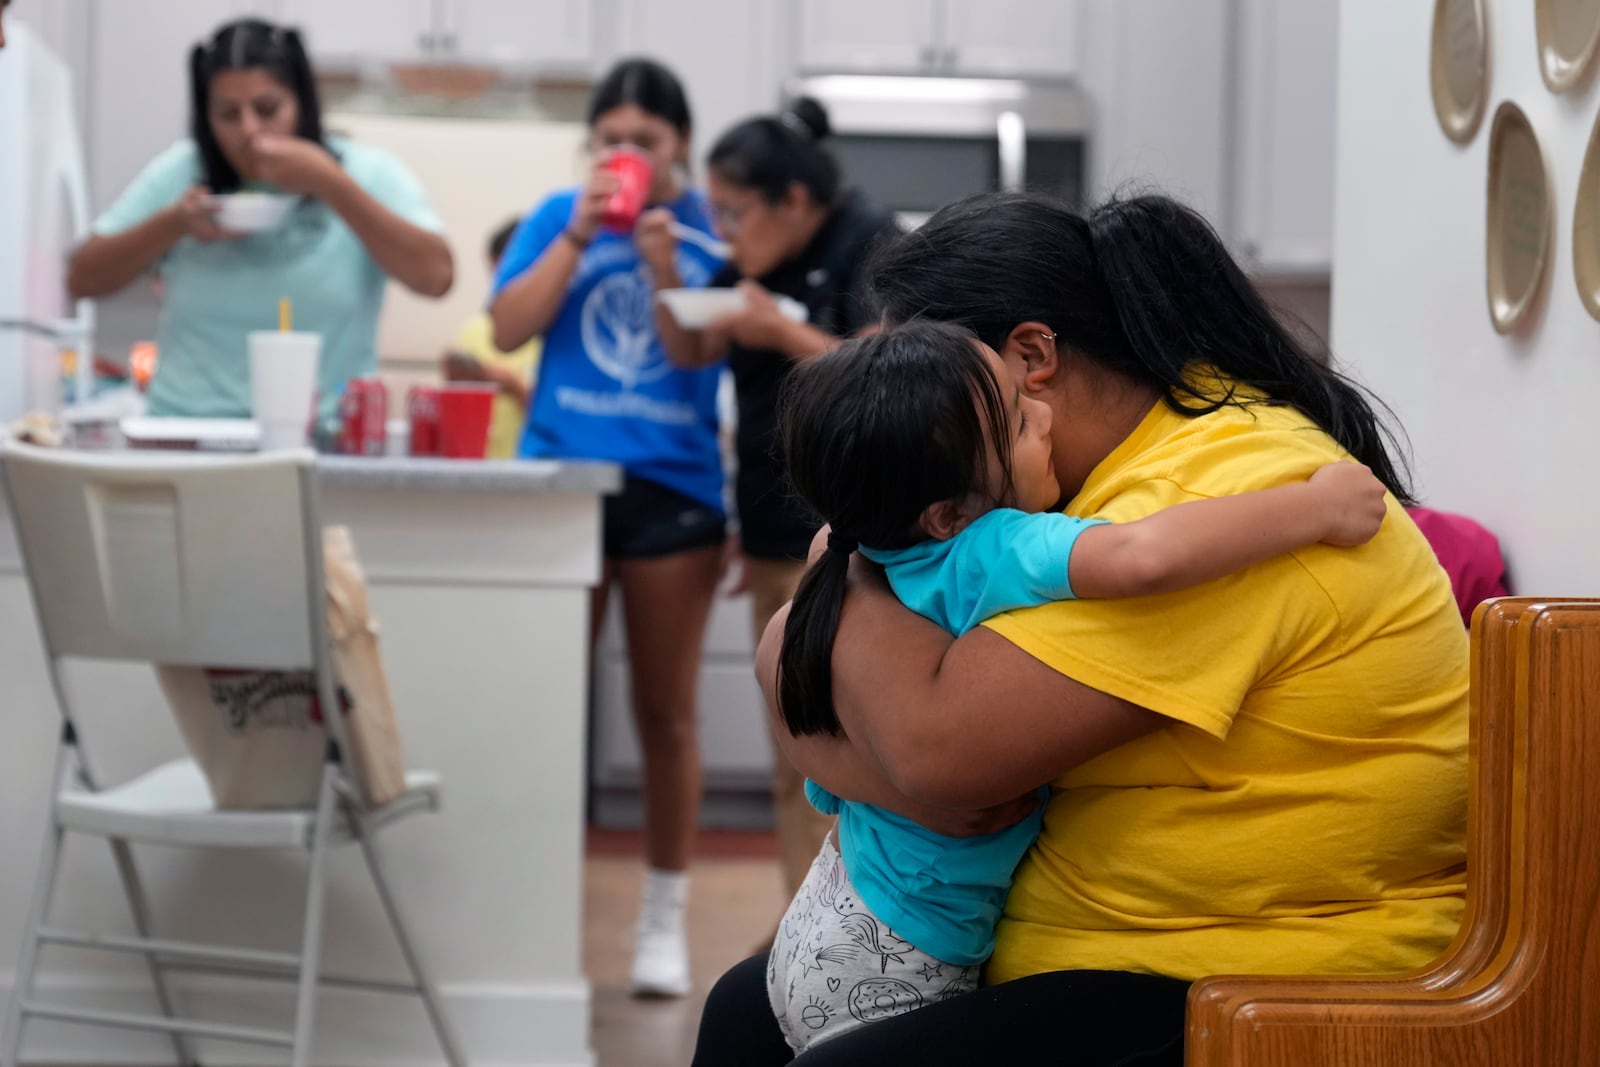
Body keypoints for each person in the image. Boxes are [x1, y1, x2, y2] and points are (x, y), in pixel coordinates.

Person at [692, 192, 1470, 1066]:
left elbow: (942, 753)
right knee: (740, 1011)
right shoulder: (1059, 489)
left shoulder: (1221, 501)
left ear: (1030, 360)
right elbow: (793, 672)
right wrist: (877, 745)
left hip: (1256, 973)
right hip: (1102, 940)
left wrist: (856, 546)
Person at [765, 320, 1390, 1053]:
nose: (1048, 416)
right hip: (902, 956)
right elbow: (1143, 556)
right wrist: (1317, 508)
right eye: (1022, 423)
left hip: (827, 917)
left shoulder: (858, 557)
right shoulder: (987, 545)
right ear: (948, 513)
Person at [488, 57, 726, 998]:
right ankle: (530, 907)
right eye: (611, 141)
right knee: (546, 710)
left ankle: (662, 919)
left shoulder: (710, 225)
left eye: (646, 142)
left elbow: (695, 350)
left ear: (680, 149)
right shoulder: (559, 216)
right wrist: (581, 232)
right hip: (562, 479)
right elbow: (507, 327)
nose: (625, 154)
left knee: (664, 716)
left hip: (673, 487)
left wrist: (665, 260)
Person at [656, 98, 900, 913]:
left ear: (793, 200)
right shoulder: (749, 262)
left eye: (733, 209)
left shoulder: (865, 237)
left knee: (851, 747)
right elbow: (694, 344)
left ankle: (856, 916)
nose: (722, 228)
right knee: (792, 745)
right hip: (769, 527)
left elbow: (893, 373)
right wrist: (663, 269)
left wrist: (781, 331)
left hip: (863, 537)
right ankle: (802, 915)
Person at [67, 18, 452, 427]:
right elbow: (82, 278)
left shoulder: (365, 172)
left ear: (302, 103)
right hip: (187, 430)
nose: (249, 129)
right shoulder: (182, 173)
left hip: (322, 437)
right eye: (227, 114)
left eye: (267, 109)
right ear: (205, 117)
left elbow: (436, 276)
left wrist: (331, 184)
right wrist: (173, 224)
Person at [443, 217, 541, 459]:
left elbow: (562, 421)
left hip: (536, 473)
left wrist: (511, 385)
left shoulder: (557, 332)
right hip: (481, 469)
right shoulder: (474, 329)